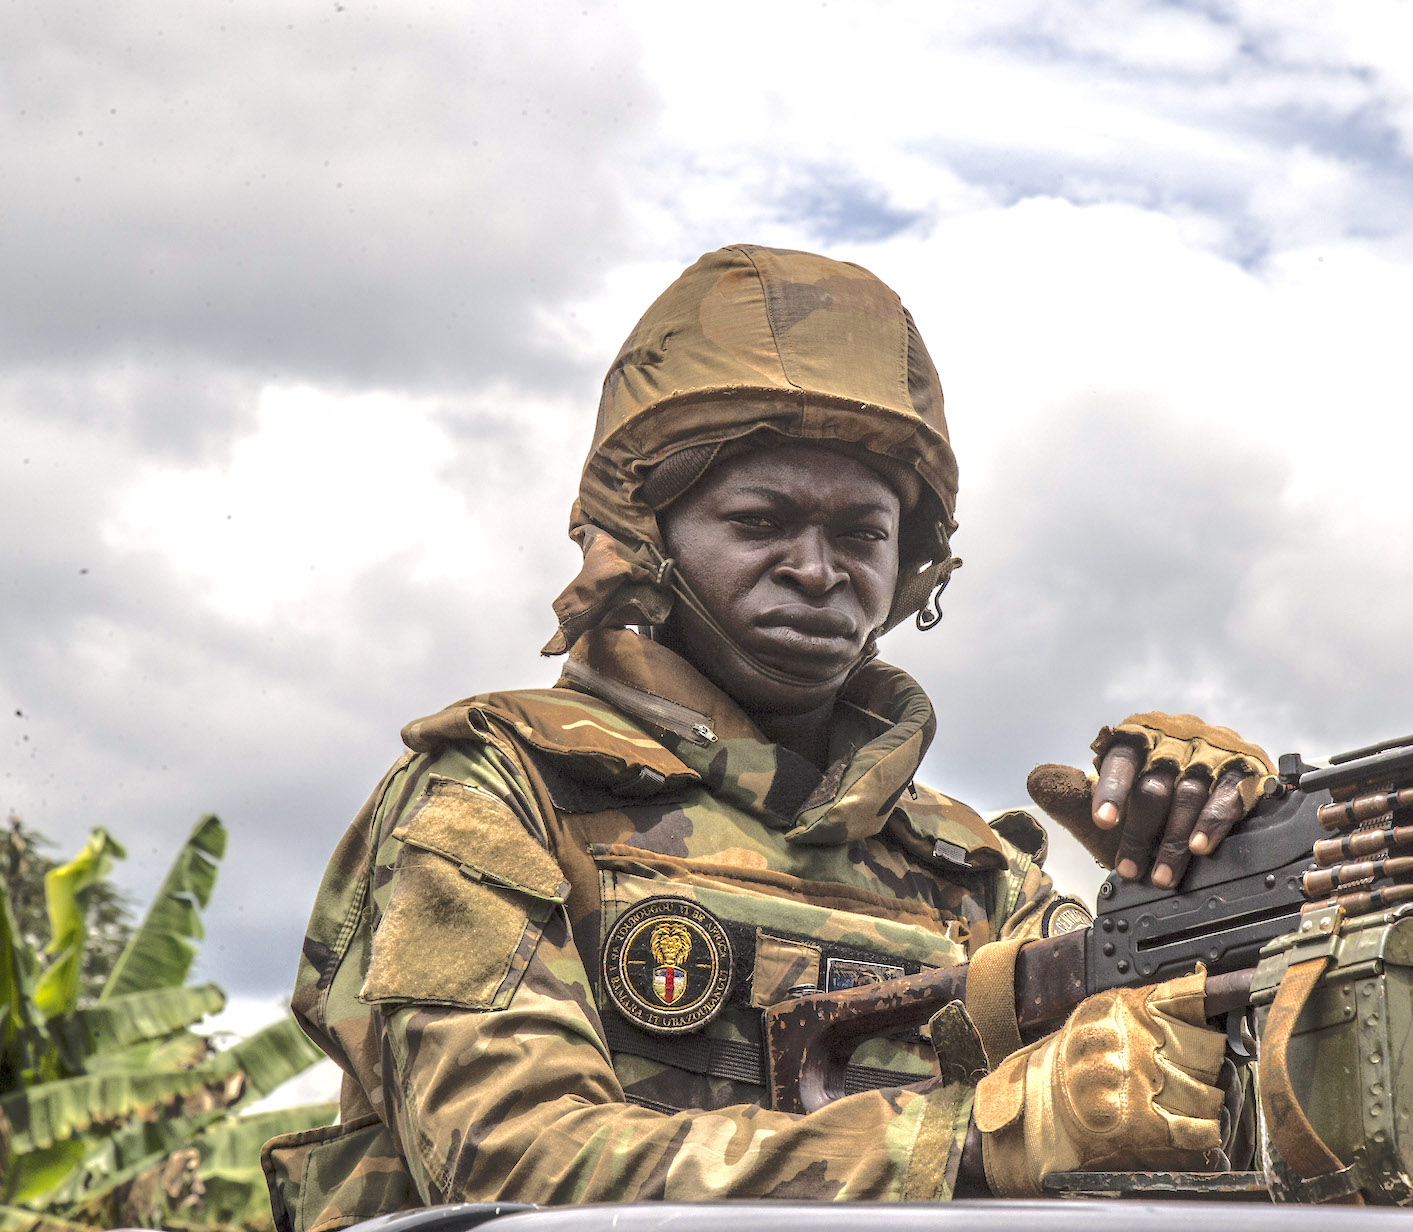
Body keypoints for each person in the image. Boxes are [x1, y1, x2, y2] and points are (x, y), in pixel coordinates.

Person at [261, 245, 1277, 1229]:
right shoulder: (503, 790)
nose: (817, 568)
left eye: (861, 533)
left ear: (909, 562)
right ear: (647, 537)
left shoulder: (971, 873)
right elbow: (513, 1164)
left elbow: (1197, 1121)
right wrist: (969, 1144)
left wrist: (1202, 888)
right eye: (760, 522)